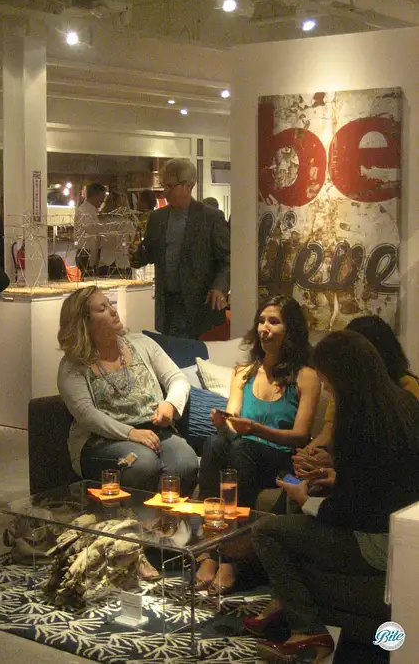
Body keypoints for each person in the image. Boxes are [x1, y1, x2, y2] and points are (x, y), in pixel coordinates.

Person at [248, 330, 419, 663]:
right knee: (301, 501)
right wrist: (337, 477)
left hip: (375, 543)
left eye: (327, 382)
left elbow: (351, 513)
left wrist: (305, 498)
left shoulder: (359, 422)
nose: (326, 390)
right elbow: (383, 480)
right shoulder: (405, 404)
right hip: (403, 531)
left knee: (266, 531)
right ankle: (286, 605)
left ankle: (307, 630)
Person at [196, 295, 320, 594]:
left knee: (243, 448)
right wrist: (222, 422)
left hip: (280, 460)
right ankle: (210, 549)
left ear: (291, 330)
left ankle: (233, 558)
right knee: (214, 444)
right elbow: (232, 422)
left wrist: (256, 429)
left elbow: (300, 436)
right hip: (242, 455)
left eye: (273, 322)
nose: (264, 328)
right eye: (261, 321)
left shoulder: (306, 377)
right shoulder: (244, 372)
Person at [57, 286, 199, 494]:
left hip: (154, 430)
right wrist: (130, 433)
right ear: (84, 324)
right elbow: (86, 415)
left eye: (110, 304)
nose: (113, 311)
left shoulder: (142, 343)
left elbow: (177, 378)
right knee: (142, 464)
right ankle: (131, 515)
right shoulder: (72, 365)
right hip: (103, 439)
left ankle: (166, 515)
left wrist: (170, 404)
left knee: (185, 464)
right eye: (102, 309)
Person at [293, 314, 419, 478]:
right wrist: (308, 454)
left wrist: (334, 465)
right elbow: (329, 433)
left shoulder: (404, 393)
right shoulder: (346, 391)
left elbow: (383, 461)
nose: (327, 388)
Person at [129, 158, 230, 339]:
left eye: (169, 186)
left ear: (188, 186)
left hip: (200, 307)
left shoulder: (211, 217)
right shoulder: (157, 218)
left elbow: (227, 260)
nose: (164, 192)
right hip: (167, 306)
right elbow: (149, 254)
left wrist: (220, 287)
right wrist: (135, 255)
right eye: (164, 186)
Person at [74, 182, 107, 278]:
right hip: (85, 252)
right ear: (95, 195)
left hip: (91, 252)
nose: (103, 200)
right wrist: (106, 224)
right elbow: (91, 228)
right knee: (88, 280)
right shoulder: (84, 211)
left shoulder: (93, 211)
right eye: (102, 196)